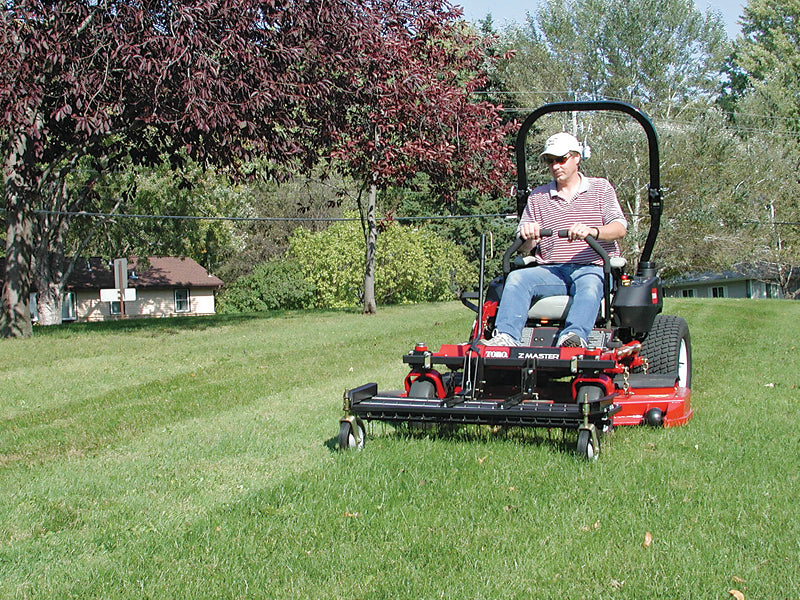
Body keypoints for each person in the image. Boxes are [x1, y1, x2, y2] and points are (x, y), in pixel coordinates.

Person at [482, 132, 627, 348]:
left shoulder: (600, 188)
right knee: (516, 279)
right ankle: (506, 337)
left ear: (576, 157)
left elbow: (619, 228)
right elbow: (525, 249)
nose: (556, 166)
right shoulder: (538, 196)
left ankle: (573, 338)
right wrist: (528, 235)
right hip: (552, 270)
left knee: (589, 286)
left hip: (592, 267)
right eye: (551, 161)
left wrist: (592, 231)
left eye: (561, 159)